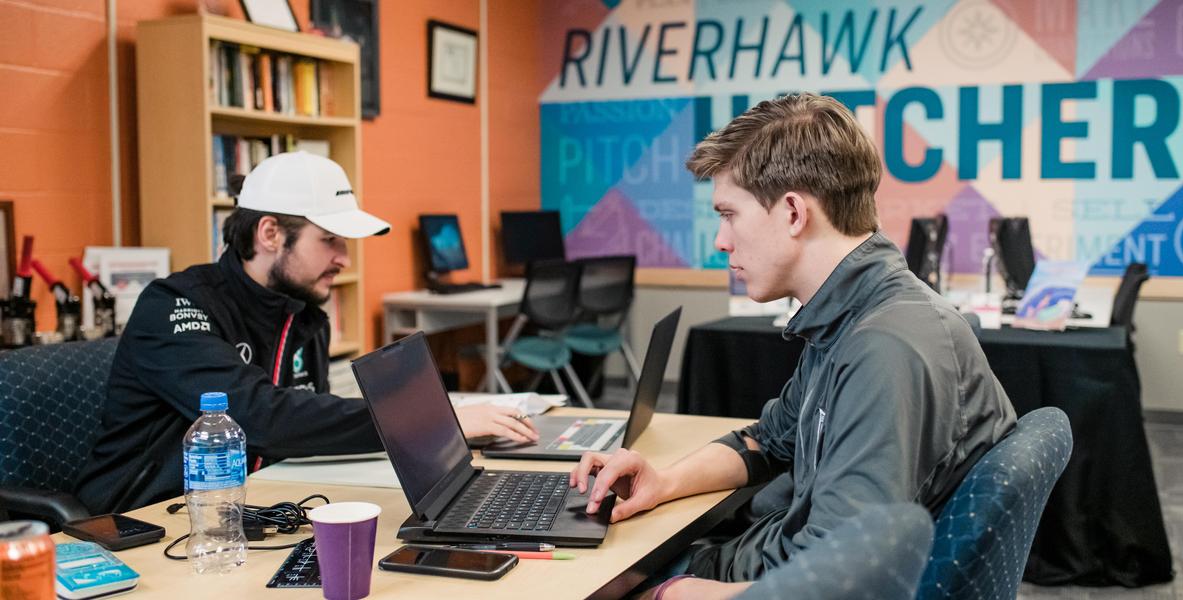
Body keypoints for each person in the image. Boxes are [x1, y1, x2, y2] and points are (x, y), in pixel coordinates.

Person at [569, 94, 1017, 598]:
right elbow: (769, 440)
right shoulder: (853, 314)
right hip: (765, 560)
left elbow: (834, 582)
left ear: (792, 212)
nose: (721, 239)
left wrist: (661, 595)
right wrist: (664, 481)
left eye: (729, 214)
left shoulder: (886, 349)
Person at [75, 152, 538, 514]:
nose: (344, 259)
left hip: (257, 510)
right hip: (148, 521)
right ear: (270, 233)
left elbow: (304, 431)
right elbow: (260, 417)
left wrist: (429, 427)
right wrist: (421, 421)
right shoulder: (174, 306)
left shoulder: (303, 315)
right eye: (329, 240)